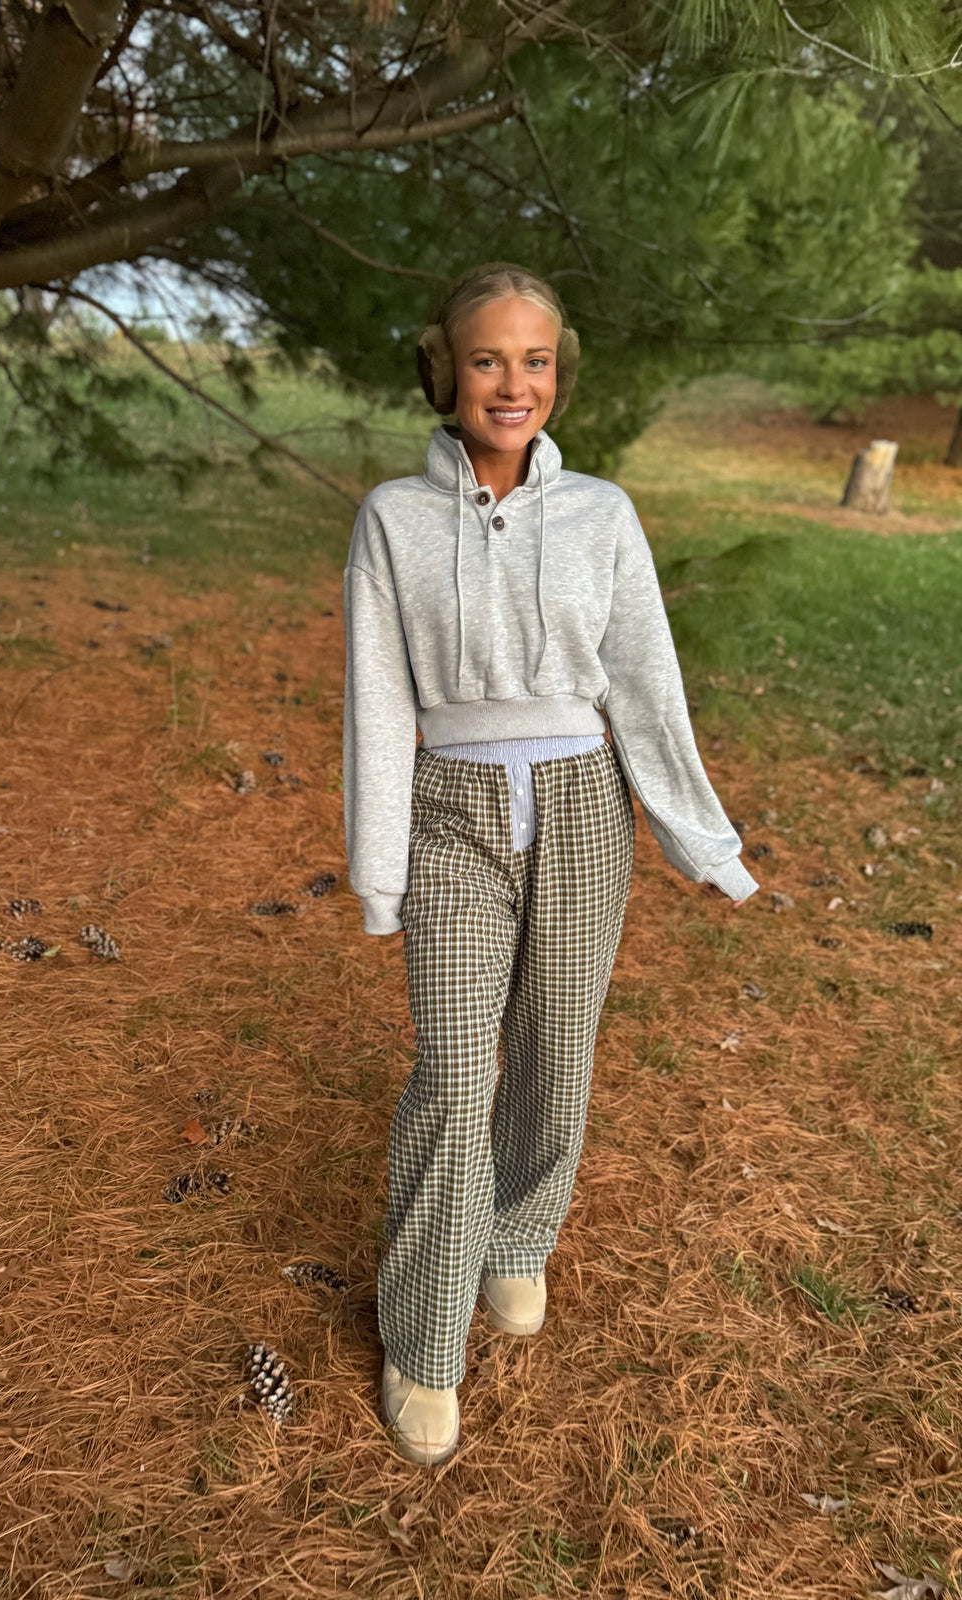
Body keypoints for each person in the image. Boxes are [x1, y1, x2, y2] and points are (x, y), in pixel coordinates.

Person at [341, 261, 758, 1466]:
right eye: (487, 359)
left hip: (583, 804)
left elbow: (645, 685)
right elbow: (377, 700)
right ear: (446, 368)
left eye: (535, 361)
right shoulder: (394, 519)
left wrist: (700, 839)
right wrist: (380, 868)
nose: (512, 384)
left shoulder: (603, 517)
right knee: (456, 1069)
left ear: (557, 374)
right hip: (454, 807)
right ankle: (422, 1336)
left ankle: (517, 1238)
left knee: (558, 1042)